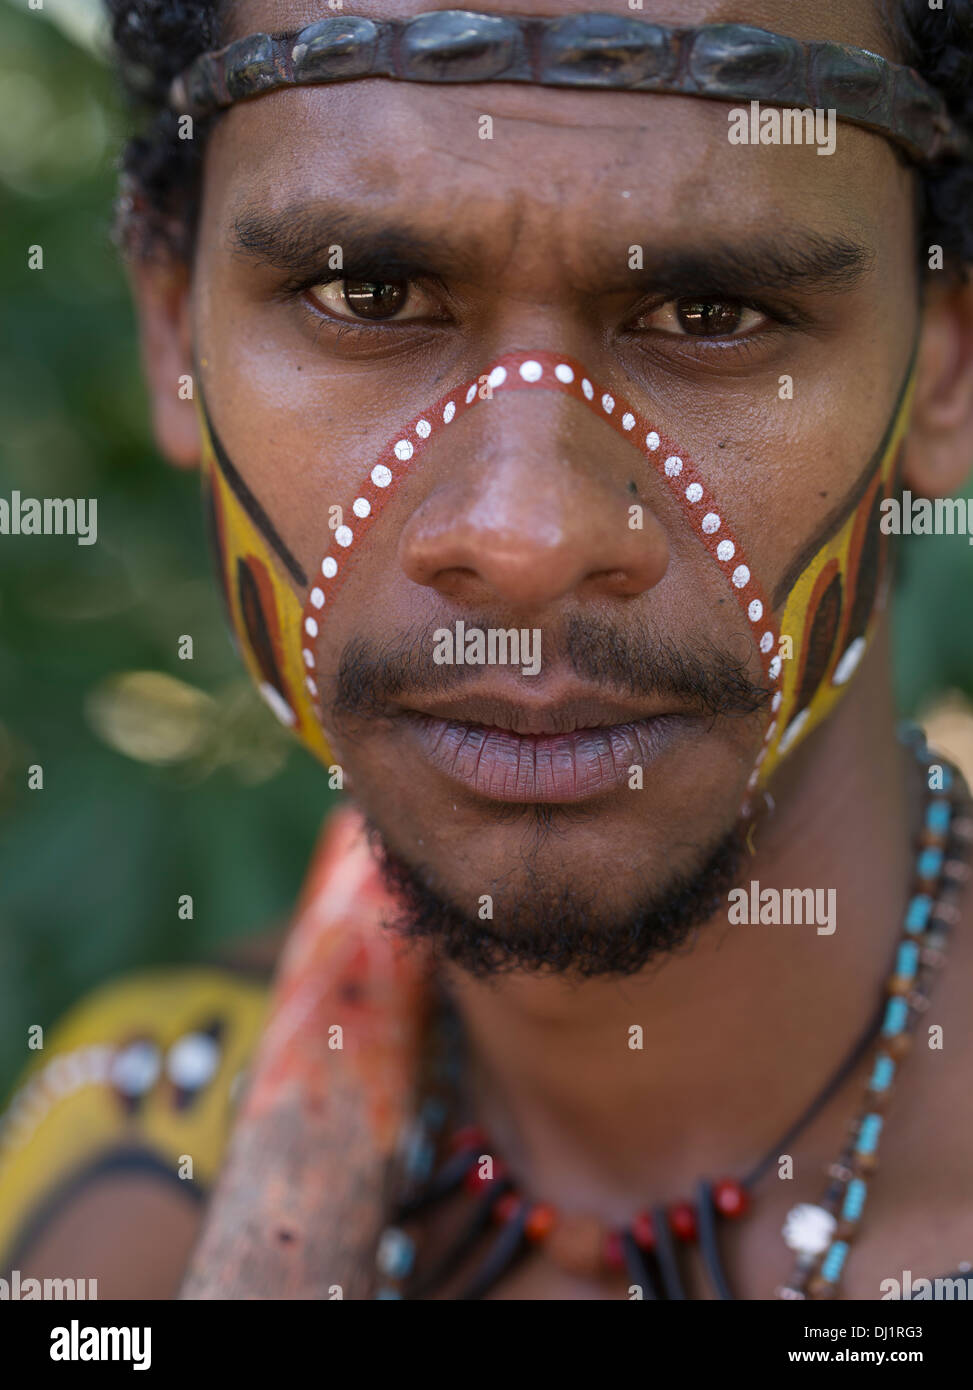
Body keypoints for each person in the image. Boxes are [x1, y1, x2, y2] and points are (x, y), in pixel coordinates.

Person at [1, 0, 973, 1301]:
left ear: (947, 363)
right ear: (175, 332)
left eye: (711, 311)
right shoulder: (118, 1176)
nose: (524, 535)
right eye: (368, 294)